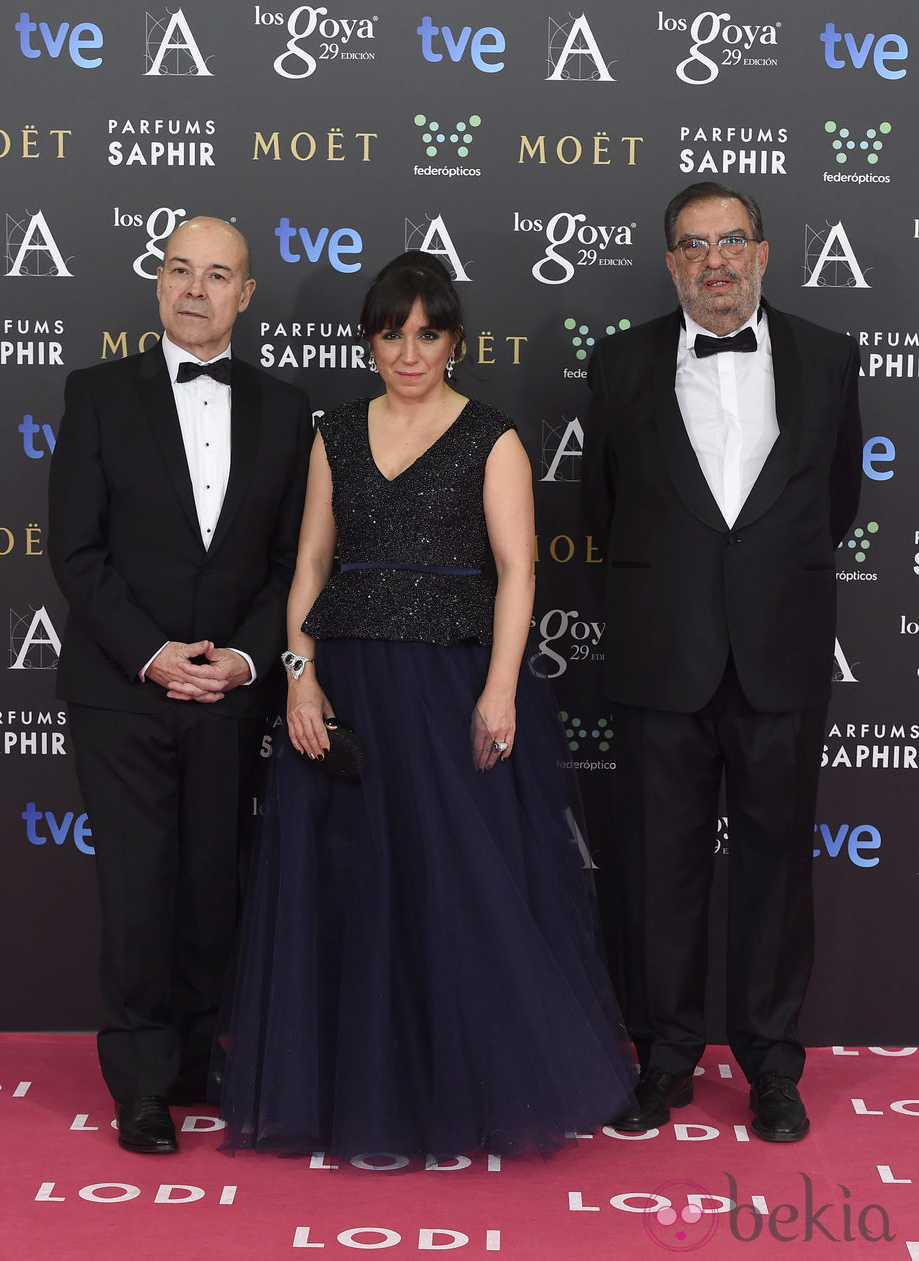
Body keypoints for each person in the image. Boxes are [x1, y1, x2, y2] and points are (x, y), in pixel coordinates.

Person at [215, 250, 635, 1159]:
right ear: (369, 339)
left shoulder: (494, 436)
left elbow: (520, 569)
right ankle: (356, 1093)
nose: (410, 351)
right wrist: (298, 674)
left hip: (450, 688)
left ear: (453, 340)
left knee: (453, 889)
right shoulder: (333, 431)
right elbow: (311, 567)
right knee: (349, 884)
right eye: (392, 333)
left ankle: (461, 1094)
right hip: (344, 690)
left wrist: (499, 688)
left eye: (428, 333)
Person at [583, 182, 862, 1142]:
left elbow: (836, 503)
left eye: (732, 241)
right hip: (663, 659)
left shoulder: (828, 359)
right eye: (694, 245)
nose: (716, 261)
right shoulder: (618, 364)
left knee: (778, 871)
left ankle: (772, 1066)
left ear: (764, 253)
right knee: (660, 870)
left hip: (780, 653)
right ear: (670, 264)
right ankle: (664, 1057)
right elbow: (606, 510)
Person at [48, 216, 313, 1154]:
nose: (194, 289)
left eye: (217, 275)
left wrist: (243, 660)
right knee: (137, 889)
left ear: (246, 295)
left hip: (233, 690)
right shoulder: (98, 394)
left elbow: (294, 560)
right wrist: (151, 653)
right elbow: (75, 553)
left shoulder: (288, 411)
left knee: (214, 882)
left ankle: (204, 1060)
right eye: (178, 270)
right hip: (122, 690)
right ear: (158, 285)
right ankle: (142, 1081)